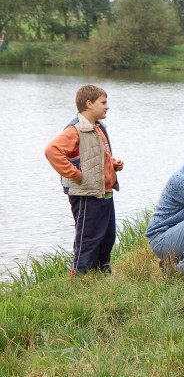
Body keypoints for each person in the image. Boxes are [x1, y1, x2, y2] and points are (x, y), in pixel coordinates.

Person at [45, 85, 125, 275]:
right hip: (86, 194)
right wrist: (75, 173)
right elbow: (52, 151)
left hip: (104, 192)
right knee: (88, 238)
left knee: (107, 236)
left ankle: (102, 272)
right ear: (89, 104)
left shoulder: (98, 128)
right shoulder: (75, 129)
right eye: (103, 102)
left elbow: (95, 157)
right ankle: (80, 276)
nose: (107, 107)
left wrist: (113, 164)